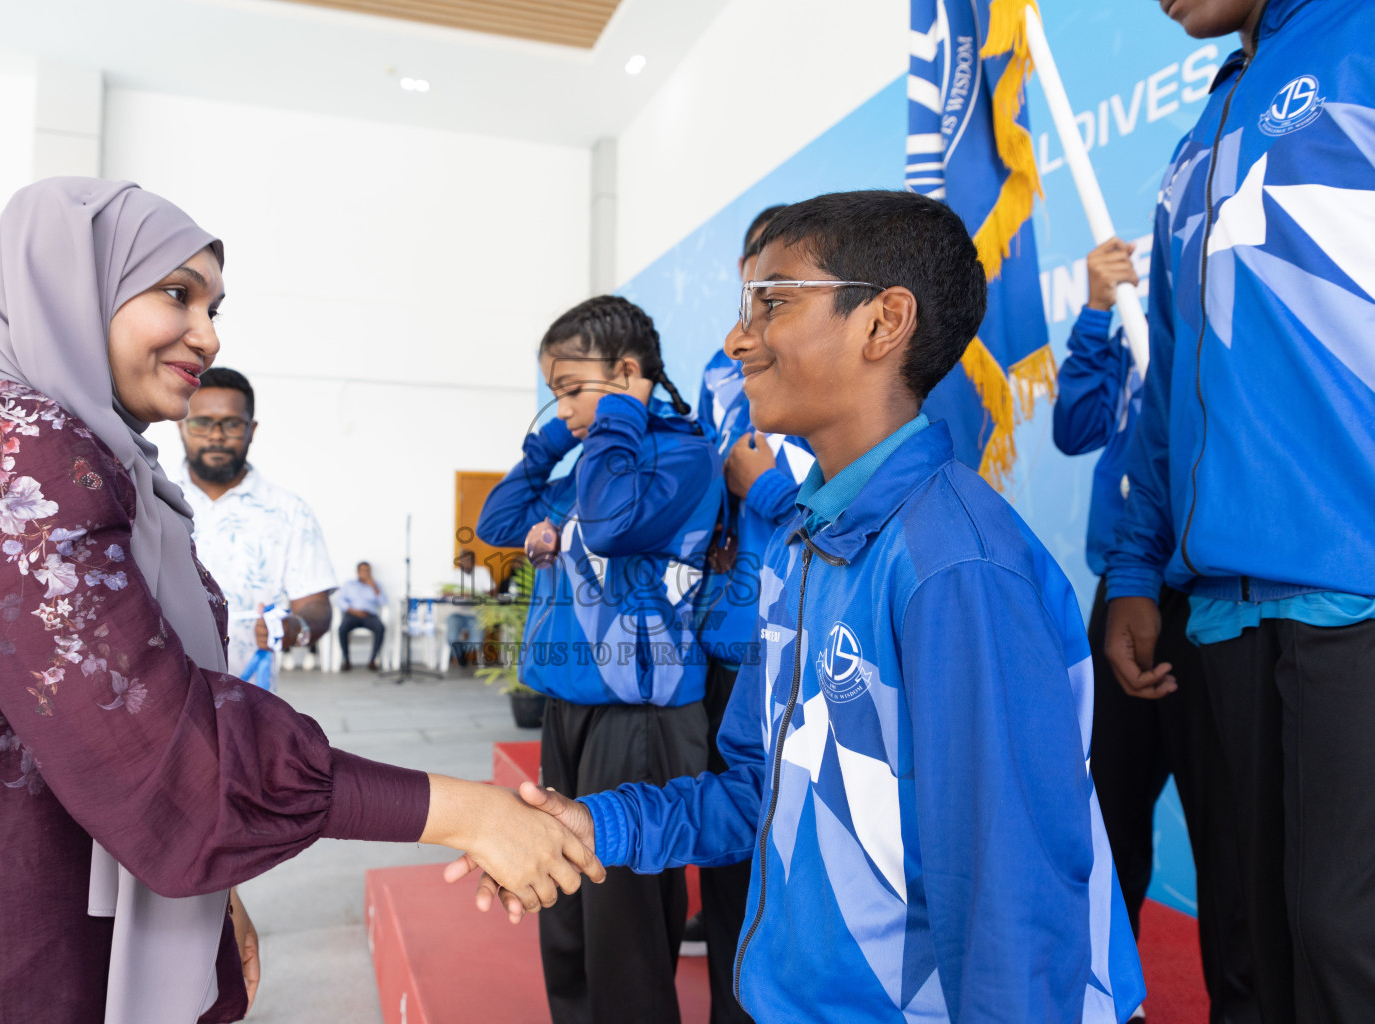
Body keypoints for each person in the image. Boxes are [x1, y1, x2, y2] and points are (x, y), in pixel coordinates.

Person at [0, 178, 603, 1024]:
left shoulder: (94, 462)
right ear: (67, 289)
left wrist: (207, 891)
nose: (205, 334)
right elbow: (161, 747)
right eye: (176, 293)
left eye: (214, 305)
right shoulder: (7, 451)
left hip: (69, 878)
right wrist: (465, 812)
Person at [458, 191, 1146, 1022]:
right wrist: (586, 827)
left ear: (882, 322)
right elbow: (755, 795)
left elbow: (1014, 902)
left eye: (773, 303)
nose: (736, 338)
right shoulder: (799, 544)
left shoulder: (957, 569)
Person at [1104, 2, 1375, 1021]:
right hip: (1222, 613)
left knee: (1344, 938)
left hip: (1355, 597)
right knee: (1248, 942)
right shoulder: (1200, 136)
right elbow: (1170, 384)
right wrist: (1134, 568)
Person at [476, 295, 722, 1024]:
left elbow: (613, 529)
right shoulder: (589, 465)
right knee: (568, 903)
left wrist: (616, 414)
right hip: (572, 708)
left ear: (627, 372)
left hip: (641, 719)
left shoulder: (683, 455)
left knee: (625, 921)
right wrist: (549, 445)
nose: (563, 409)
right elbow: (497, 522)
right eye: (552, 393)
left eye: (571, 389)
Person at [1054, 239, 1253, 1022]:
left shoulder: (1228, 335)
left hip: (1217, 591)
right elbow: (1075, 427)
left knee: (1232, 838)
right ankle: (1107, 997)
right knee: (1108, 820)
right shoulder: (1135, 332)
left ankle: (1243, 1003)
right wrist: (1100, 307)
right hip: (1127, 595)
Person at [689, 202, 809, 1024]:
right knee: (735, 827)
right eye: (750, 287)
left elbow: (851, 510)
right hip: (735, 635)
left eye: (778, 289)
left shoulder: (844, 366)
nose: (753, 317)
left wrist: (764, 487)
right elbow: (707, 482)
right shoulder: (716, 369)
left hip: (817, 637)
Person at [178, 366, 337, 685]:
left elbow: (317, 607)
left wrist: (294, 629)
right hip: (161, 699)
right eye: (202, 422)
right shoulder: (152, 499)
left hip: (251, 701)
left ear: (252, 429)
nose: (216, 435)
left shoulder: (289, 512)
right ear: (182, 426)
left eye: (232, 424)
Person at [333, 561, 387, 671]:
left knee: (380, 628)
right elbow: (340, 601)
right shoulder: (349, 584)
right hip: (352, 614)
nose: (366, 573)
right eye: (363, 570)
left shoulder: (376, 585)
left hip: (369, 616)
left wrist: (374, 587)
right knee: (342, 629)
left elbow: (383, 602)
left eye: (368, 571)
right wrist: (353, 611)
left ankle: (373, 660)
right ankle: (346, 660)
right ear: (357, 572)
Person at [446, 549, 494, 666]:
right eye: (462, 560)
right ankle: (458, 652)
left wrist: (474, 596)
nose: (465, 562)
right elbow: (444, 592)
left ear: (474, 561)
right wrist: (461, 595)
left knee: (477, 642)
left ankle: (459, 651)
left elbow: (491, 592)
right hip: (457, 613)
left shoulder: (482, 572)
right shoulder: (454, 574)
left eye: (468, 560)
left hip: (475, 614)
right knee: (451, 638)